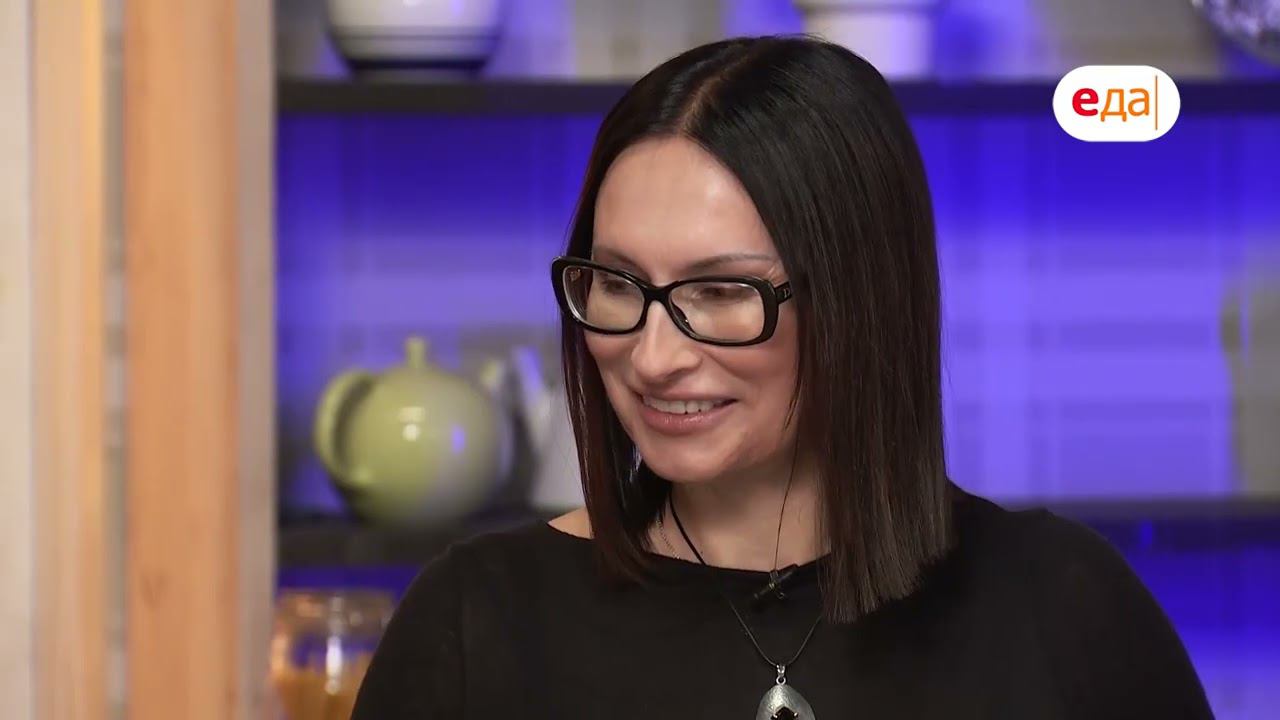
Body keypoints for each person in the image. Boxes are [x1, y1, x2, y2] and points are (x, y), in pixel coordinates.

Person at [350, 35, 1214, 719]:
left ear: (861, 299)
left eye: (721, 292)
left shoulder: (1063, 608)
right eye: (617, 283)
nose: (652, 356)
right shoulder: (476, 624)